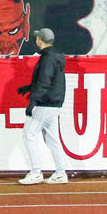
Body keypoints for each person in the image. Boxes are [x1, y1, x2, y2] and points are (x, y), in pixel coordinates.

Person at [16, 27, 68, 185]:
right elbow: (48, 81)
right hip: (55, 103)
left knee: (29, 135)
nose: (36, 39)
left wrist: (33, 101)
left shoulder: (47, 59)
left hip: (45, 103)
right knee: (53, 140)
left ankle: (36, 172)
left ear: (41, 40)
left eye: (37, 37)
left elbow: (44, 81)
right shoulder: (54, 57)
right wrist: (29, 87)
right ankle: (60, 173)